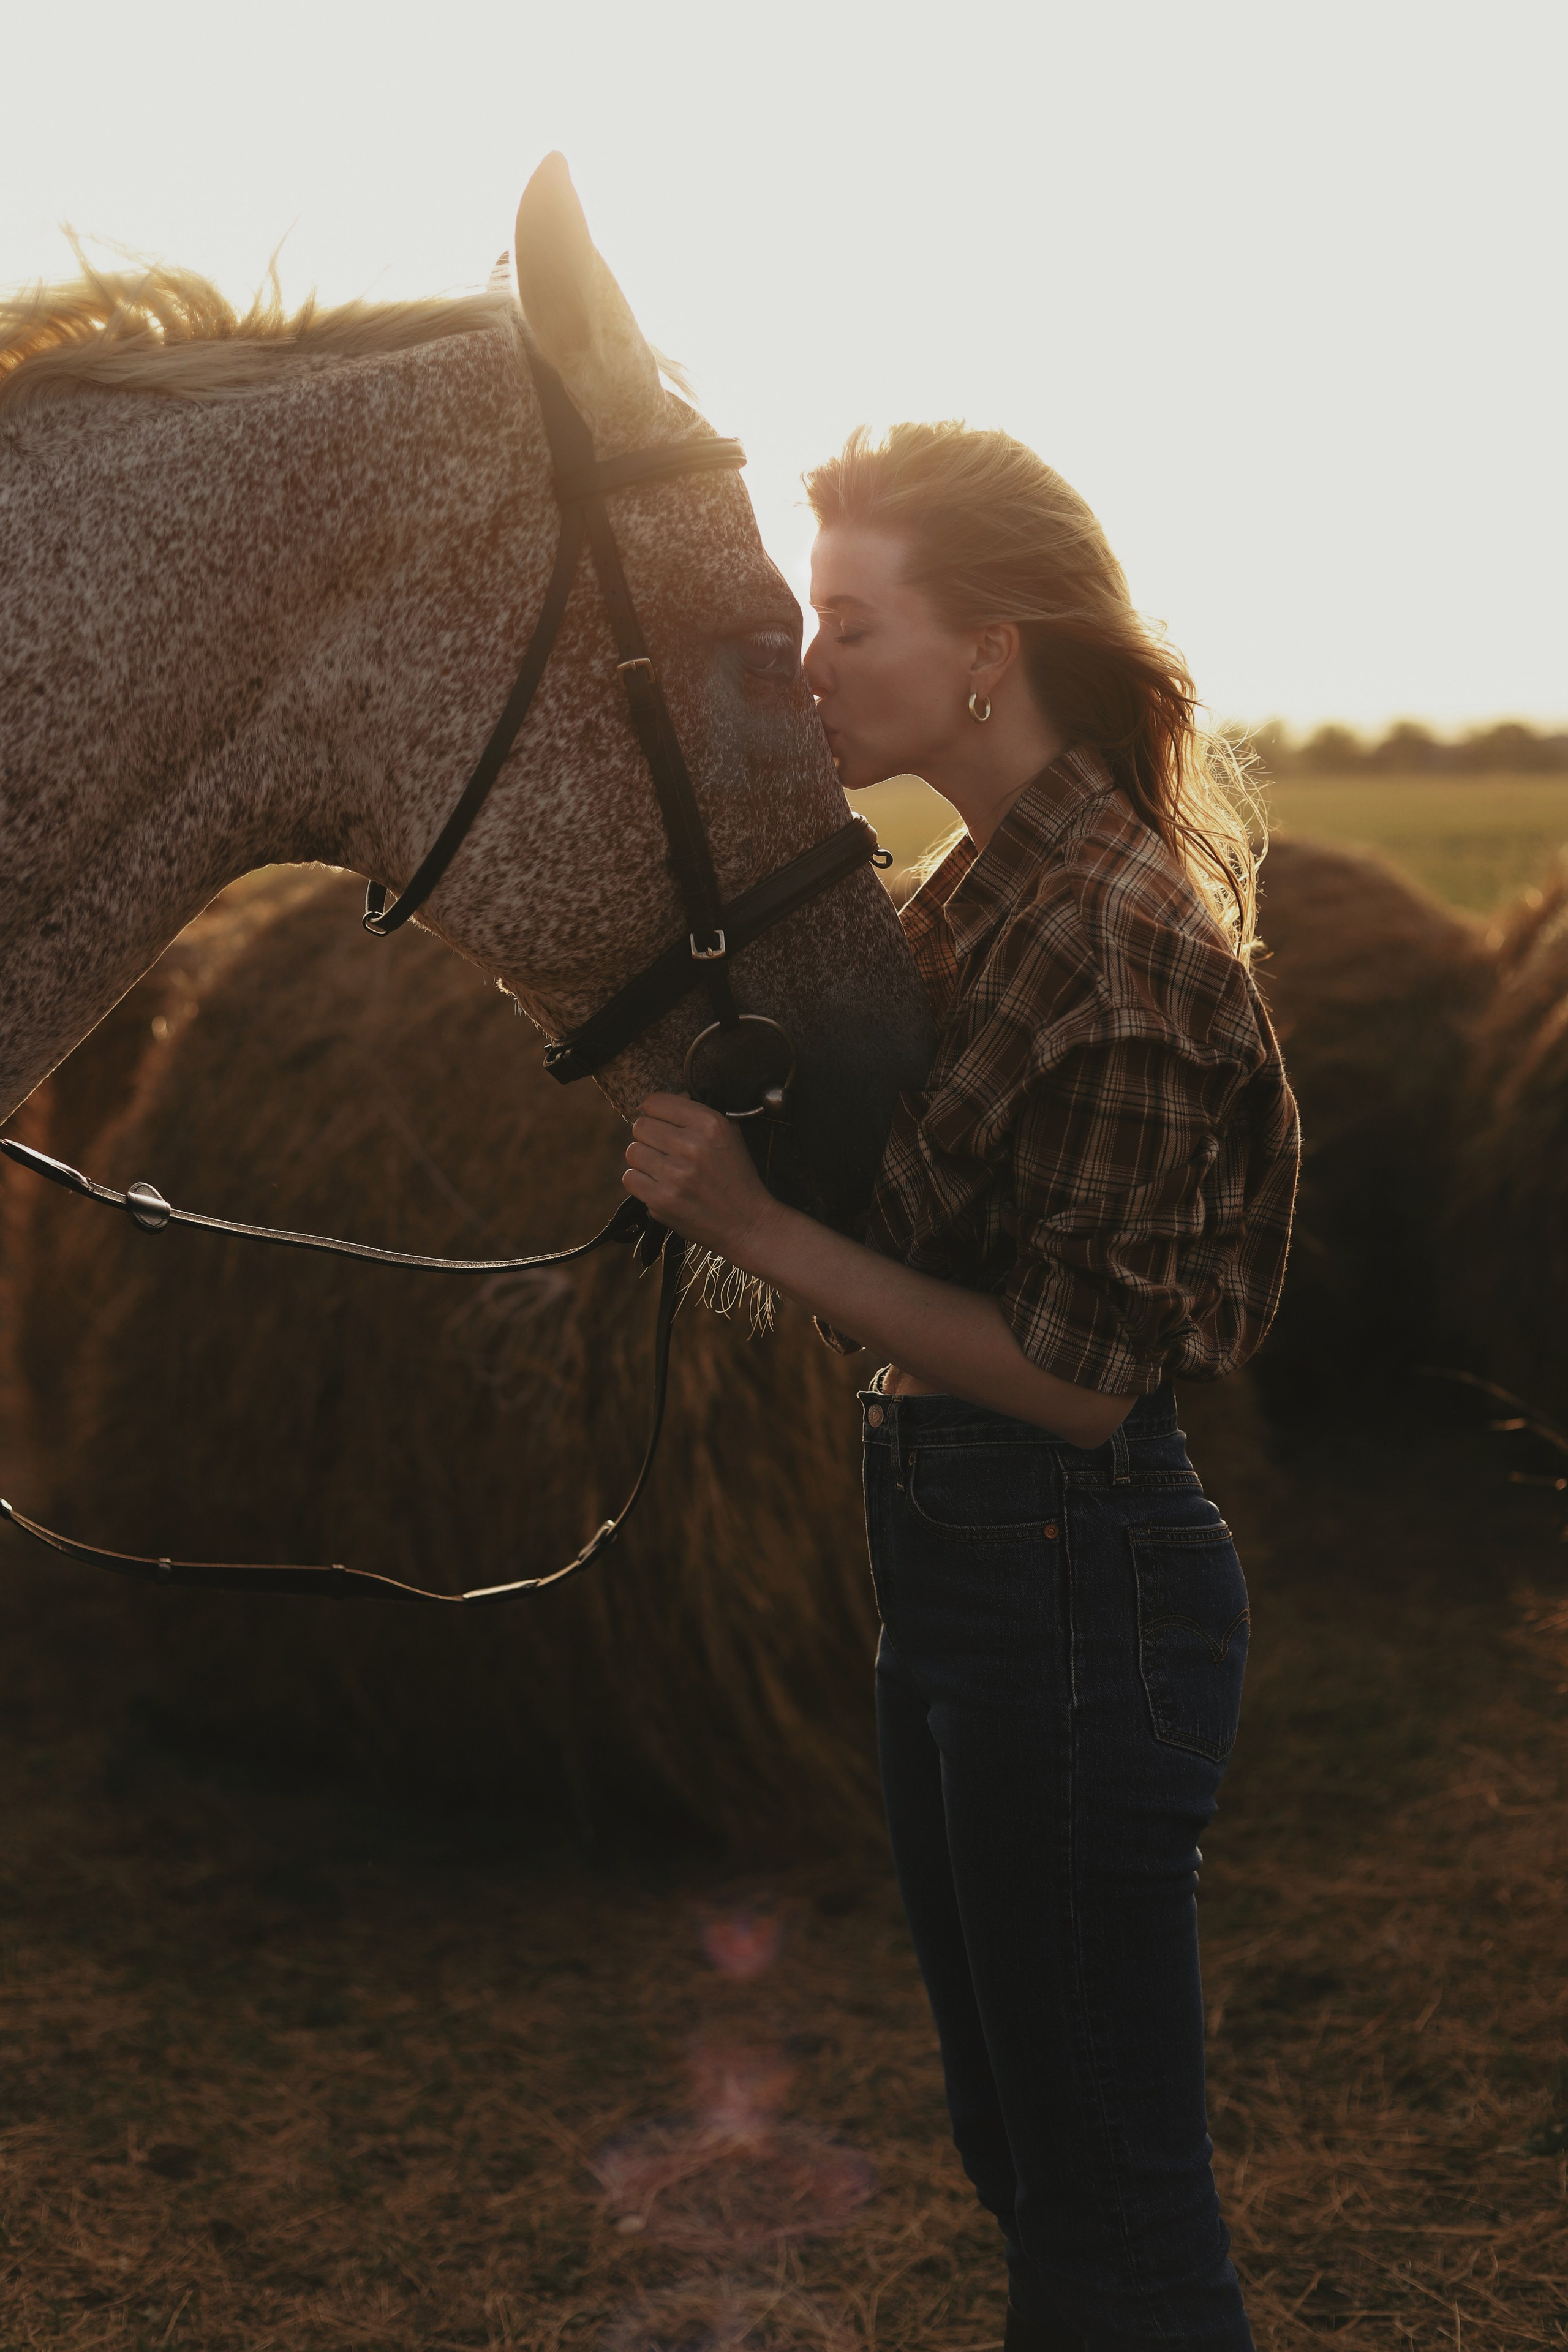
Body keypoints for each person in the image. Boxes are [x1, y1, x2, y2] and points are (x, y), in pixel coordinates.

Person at [621, 420, 1299, 2352]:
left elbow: (1077, 1385)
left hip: (1074, 1578)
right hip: (971, 1574)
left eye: (852, 625)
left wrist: (752, 1227)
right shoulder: (976, 890)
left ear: (987, 649)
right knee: (1031, 2153)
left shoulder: (1122, 944)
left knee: (1115, 2211)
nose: (808, 667)